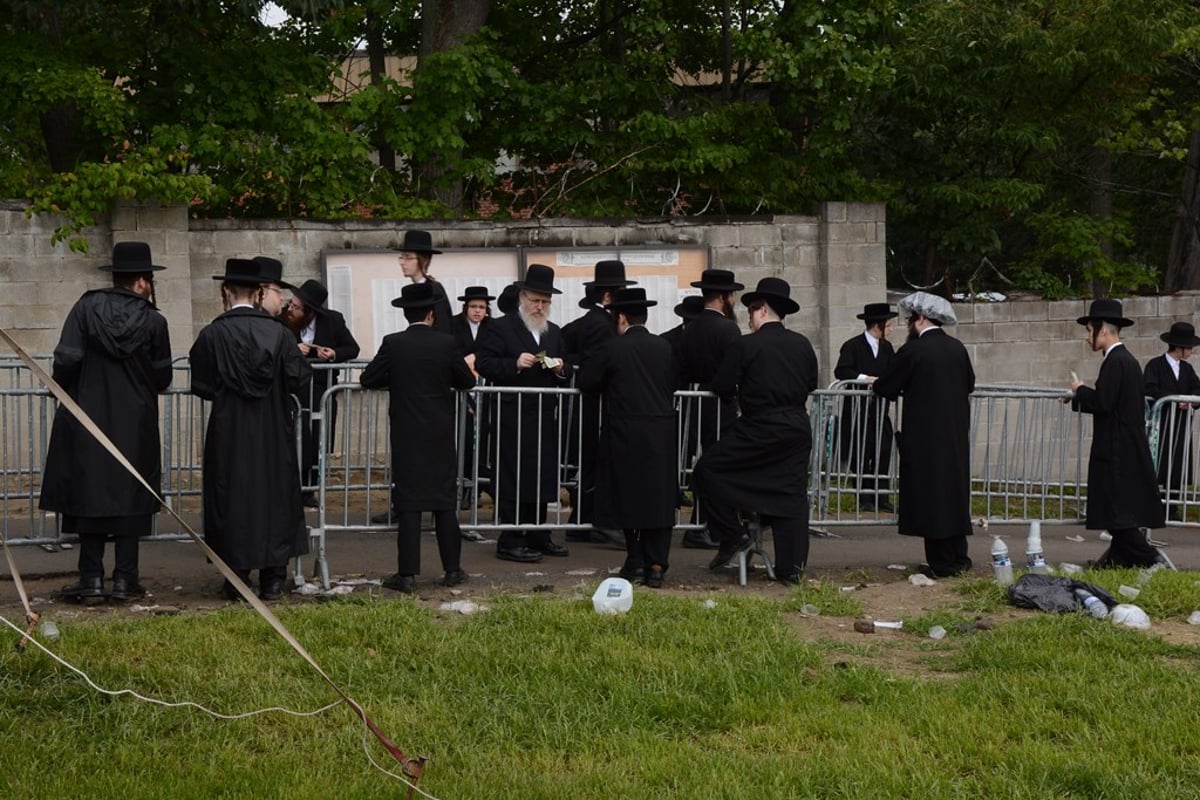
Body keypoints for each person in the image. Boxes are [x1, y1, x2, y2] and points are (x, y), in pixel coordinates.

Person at [40, 242, 172, 604]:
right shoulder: (153, 321)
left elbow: (66, 360)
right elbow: (163, 377)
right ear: (143, 282)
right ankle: (125, 579)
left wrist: (65, 389)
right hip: (136, 422)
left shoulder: (85, 309)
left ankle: (92, 578)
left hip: (87, 417)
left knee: (89, 495)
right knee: (132, 495)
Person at [189, 258, 312, 601]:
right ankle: (273, 578)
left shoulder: (213, 334)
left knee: (231, 498)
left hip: (230, 430)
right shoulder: (279, 334)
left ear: (225, 291)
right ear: (259, 293)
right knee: (275, 497)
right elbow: (300, 378)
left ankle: (237, 577)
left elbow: (202, 383)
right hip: (273, 429)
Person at [693, 278, 818, 584]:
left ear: (761, 311)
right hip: (796, 427)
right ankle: (792, 569)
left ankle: (733, 534)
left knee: (707, 471)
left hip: (760, 426)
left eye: (750, 312)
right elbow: (811, 384)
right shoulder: (802, 344)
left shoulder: (746, 344)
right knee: (791, 495)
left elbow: (722, 385)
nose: (748, 318)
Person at [359, 282, 477, 593]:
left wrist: (396, 380)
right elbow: (467, 382)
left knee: (409, 503)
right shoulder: (447, 343)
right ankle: (453, 570)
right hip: (439, 432)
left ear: (405, 314)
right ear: (430, 313)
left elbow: (368, 378)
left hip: (407, 433)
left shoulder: (394, 343)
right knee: (443, 502)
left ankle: (407, 574)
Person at [576, 287, 679, 587]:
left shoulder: (613, 348)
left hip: (625, 431)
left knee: (630, 499)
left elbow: (588, 381)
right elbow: (672, 382)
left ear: (621, 317)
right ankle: (657, 564)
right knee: (658, 500)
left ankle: (634, 560)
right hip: (661, 431)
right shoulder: (663, 347)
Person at [474, 264, 573, 563]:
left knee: (541, 475)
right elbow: (486, 364)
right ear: (522, 297)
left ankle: (538, 533)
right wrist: (515, 363)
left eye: (545, 302)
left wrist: (559, 369)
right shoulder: (499, 327)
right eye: (535, 301)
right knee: (513, 476)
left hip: (543, 416)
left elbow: (564, 370)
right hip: (511, 416)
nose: (540, 307)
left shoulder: (553, 332)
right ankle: (511, 538)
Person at [872, 291, 975, 578]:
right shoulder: (957, 348)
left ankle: (941, 562)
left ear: (920, 319)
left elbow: (886, 386)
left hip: (925, 437)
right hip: (954, 435)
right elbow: (970, 383)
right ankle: (959, 556)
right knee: (953, 494)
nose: (907, 325)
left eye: (909, 320)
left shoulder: (914, 351)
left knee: (932, 498)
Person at [1069, 298, 1167, 567]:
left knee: (1117, 514)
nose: (1087, 336)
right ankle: (1116, 561)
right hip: (1122, 445)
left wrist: (1080, 390)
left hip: (1117, 449)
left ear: (1103, 330)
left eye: (1089, 329)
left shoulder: (1117, 361)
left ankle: (1151, 561)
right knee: (1116, 512)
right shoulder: (1124, 361)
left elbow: (1104, 402)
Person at [562, 259, 635, 544]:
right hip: (595, 405)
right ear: (607, 296)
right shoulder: (600, 325)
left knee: (592, 463)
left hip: (591, 404)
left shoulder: (590, 322)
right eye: (620, 292)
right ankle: (593, 521)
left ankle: (581, 521)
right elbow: (596, 366)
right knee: (596, 462)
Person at [678, 268, 744, 549]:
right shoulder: (727, 329)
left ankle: (701, 523)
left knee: (706, 465)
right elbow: (733, 372)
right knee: (719, 466)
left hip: (694, 403)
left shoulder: (690, 328)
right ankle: (704, 525)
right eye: (732, 295)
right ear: (723, 297)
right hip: (720, 405)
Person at [282, 278, 360, 508]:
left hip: (320, 389)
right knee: (294, 439)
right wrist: (293, 350)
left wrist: (333, 354)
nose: (291, 309)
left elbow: (352, 348)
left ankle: (309, 488)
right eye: (291, 304)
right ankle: (291, 486)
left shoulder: (333, 321)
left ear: (310, 312)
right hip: (293, 390)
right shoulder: (282, 321)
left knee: (318, 438)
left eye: (297, 307)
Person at [834, 303, 898, 513]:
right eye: (888, 325)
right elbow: (842, 370)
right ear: (877, 326)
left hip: (879, 410)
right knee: (860, 453)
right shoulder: (853, 346)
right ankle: (864, 497)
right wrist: (865, 379)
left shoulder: (887, 348)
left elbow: (893, 370)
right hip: (857, 411)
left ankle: (882, 496)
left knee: (883, 450)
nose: (890, 329)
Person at [1144, 321, 1200, 521]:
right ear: (1179, 346)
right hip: (1162, 424)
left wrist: (1189, 401)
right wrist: (1173, 399)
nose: (1192, 350)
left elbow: (1197, 387)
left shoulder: (1186, 369)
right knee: (1158, 463)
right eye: (1189, 346)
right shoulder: (1156, 365)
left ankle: (1173, 508)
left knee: (1177, 465)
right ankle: (1154, 506)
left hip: (1181, 425)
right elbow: (1149, 388)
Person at [397, 229, 454, 336]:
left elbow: (444, 327)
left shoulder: (434, 289)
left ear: (424, 260)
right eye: (401, 257)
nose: (403, 263)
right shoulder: (412, 290)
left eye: (408, 257)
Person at [451, 285, 495, 365]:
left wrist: (476, 356)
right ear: (466, 307)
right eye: (473, 306)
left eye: (481, 307)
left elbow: (495, 350)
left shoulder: (493, 325)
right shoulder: (453, 323)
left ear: (486, 310)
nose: (477, 310)